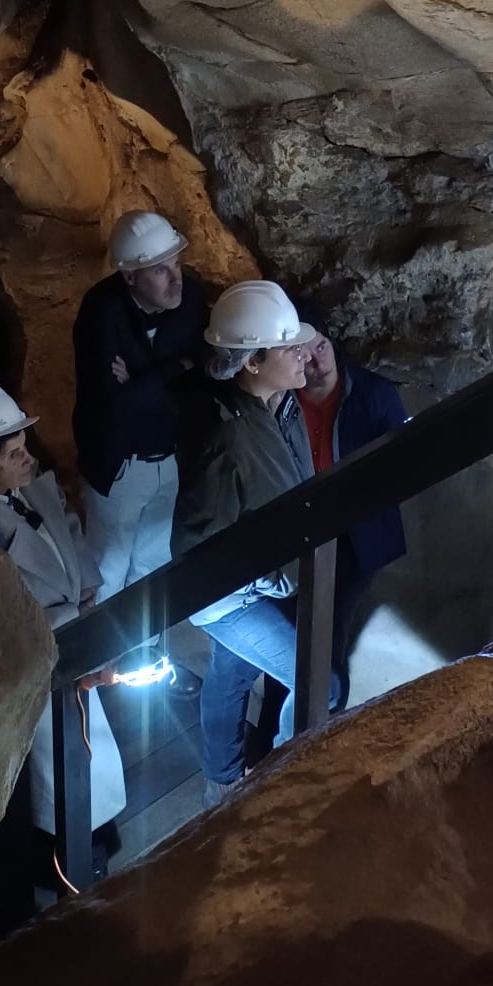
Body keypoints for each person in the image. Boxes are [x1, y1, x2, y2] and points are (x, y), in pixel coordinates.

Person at [0, 380, 126, 850]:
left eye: (23, 447)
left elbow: (68, 527)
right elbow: (0, 617)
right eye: (12, 453)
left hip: (74, 637)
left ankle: (98, 829)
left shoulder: (30, 486)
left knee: (90, 744)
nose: (27, 458)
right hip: (39, 660)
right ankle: (67, 850)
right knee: (52, 763)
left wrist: (87, 588)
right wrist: (70, 622)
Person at [171, 280, 333, 806]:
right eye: (289, 347)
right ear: (252, 363)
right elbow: (212, 538)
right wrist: (275, 575)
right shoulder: (233, 435)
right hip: (229, 595)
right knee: (319, 685)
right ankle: (277, 790)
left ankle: (220, 787)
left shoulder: (271, 407)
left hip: (248, 582)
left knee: (231, 669)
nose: (303, 353)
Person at [72, 210, 209, 603]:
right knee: (108, 569)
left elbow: (201, 368)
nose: (175, 277)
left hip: (168, 455)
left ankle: (142, 658)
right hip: (120, 464)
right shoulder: (101, 312)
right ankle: (99, 662)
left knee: (153, 565)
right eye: (160, 271)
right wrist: (174, 369)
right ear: (129, 276)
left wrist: (144, 377)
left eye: (176, 264)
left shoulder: (191, 299)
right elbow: (113, 402)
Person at [294, 317, 408, 709]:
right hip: (297, 535)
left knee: (328, 634)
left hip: (354, 537)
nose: (317, 361)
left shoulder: (372, 394)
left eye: (321, 347)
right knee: (293, 635)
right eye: (304, 356)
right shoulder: (283, 402)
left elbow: (403, 466)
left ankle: (323, 720)